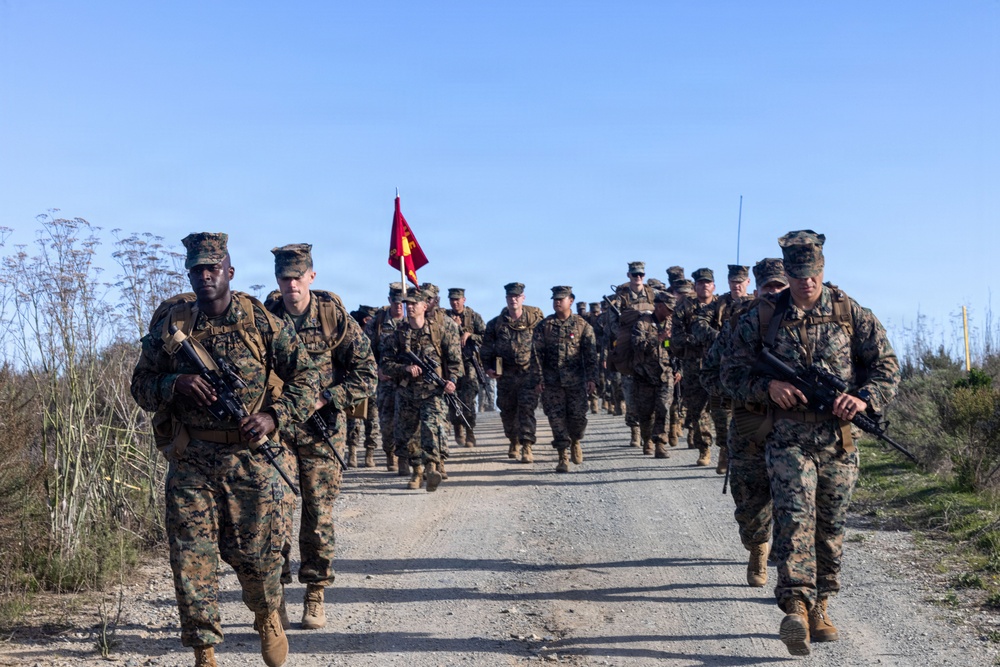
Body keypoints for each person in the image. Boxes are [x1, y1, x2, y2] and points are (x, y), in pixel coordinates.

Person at [131, 233, 321, 667]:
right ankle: (205, 650)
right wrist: (173, 383)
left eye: (213, 268)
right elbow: (139, 385)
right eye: (197, 269)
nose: (205, 276)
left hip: (250, 459)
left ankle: (267, 614)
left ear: (229, 272)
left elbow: (306, 379)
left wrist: (273, 417)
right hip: (192, 459)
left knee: (256, 557)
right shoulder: (172, 326)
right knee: (191, 557)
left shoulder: (259, 321)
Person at [720, 231, 900, 656]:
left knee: (831, 526)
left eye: (813, 274)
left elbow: (887, 366)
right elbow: (725, 373)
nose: (806, 283)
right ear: (789, 273)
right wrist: (768, 387)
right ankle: (796, 608)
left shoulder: (849, 312)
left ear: (823, 270)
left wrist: (863, 398)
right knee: (795, 518)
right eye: (799, 275)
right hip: (785, 439)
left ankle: (821, 604)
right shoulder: (761, 318)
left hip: (837, 440)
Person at [264, 244, 377, 631]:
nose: (291, 285)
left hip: (321, 431)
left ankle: (315, 592)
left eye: (297, 277)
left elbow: (367, 373)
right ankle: (274, 595)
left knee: (317, 513)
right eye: (284, 278)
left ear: (311, 276)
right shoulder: (266, 318)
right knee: (274, 511)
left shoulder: (333, 317)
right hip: (277, 430)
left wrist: (328, 397)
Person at [701, 258, 787, 589]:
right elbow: (711, 373)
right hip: (750, 424)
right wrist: (754, 388)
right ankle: (758, 547)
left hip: (795, 429)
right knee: (750, 502)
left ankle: (789, 571)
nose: (775, 293)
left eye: (781, 286)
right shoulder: (740, 324)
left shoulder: (804, 323)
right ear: (758, 288)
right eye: (770, 287)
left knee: (794, 501)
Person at [380, 287, 464, 491]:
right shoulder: (397, 334)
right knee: (407, 434)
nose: (409, 307)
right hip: (406, 391)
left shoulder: (439, 330)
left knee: (432, 429)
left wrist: (452, 379)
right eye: (408, 303)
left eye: (414, 304)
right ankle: (417, 471)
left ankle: (432, 467)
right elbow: (385, 363)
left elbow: (455, 360)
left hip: (433, 391)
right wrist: (405, 368)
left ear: (425, 306)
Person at [690, 265, 753, 474]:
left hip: (749, 372)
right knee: (721, 415)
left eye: (740, 282)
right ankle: (724, 450)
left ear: (748, 283)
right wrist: (720, 338)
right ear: (728, 283)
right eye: (733, 282)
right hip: (721, 370)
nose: (737, 285)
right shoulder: (718, 304)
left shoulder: (756, 304)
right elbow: (698, 324)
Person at [530, 286, 598, 472]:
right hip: (552, 383)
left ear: (571, 300)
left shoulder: (583, 326)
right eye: (555, 299)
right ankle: (562, 456)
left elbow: (590, 355)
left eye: (561, 299)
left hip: (576, 382)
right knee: (556, 419)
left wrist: (592, 379)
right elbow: (536, 355)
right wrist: (539, 379)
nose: (557, 302)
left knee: (577, 419)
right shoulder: (545, 326)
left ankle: (575, 440)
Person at [481, 282, 544, 462]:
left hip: (528, 374)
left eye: (517, 296)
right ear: (506, 299)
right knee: (507, 411)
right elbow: (486, 350)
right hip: (505, 376)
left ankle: (527, 446)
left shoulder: (534, 322)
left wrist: (541, 374)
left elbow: (543, 347)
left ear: (523, 298)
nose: (513, 300)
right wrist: (488, 368)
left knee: (526, 410)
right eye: (510, 297)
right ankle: (513, 439)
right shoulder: (496, 324)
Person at [671, 268, 718, 466]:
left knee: (723, 411)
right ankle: (704, 448)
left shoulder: (721, 306)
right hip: (693, 365)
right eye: (700, 283)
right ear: (695, 286)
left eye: (707, 282)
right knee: (697, 410)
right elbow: (676, 338)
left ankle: (724, 448)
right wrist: (696, 339)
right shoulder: (684, 308)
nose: (704, 286)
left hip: (718, 366)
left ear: (713, 286)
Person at [365, 283, 408, 474]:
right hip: (385, 381)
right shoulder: (378, 322)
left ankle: (405, 458)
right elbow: (365, 352)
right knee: (387, 422)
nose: (399, 306)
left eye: (402, 302)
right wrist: (376, 371)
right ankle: (390, 454)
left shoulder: (411, 322)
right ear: (389, 300)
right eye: (395, 302)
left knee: (407, 421)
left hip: (407, 382)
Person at [614, 262, 656, 448]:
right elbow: (613, 327)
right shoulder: (620, 298)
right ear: (628, 275)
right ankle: (635, 430)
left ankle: (649, 437)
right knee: (630, 396)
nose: (637, 277)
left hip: (650, 351)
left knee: (650, 397)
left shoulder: (653, 295)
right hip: (630, 352)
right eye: (634, 274)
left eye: (640, 274)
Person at [630, 290, 677, 458]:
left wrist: (679, 370)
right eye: (668, 308)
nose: (671, 311)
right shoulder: (642, 323)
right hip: (644, 376)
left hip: (665, 375)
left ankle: (660, 443)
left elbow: (677, 350)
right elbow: (636, 344)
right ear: (658, 306)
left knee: (663, 408)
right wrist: (658, 338)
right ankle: (647, 439)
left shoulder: (673, 324)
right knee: (645, 412)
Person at [445, 287, 487, 447]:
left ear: (464, 300)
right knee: (452, 397)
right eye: (452, 300)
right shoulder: (445, 317)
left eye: (457, 299)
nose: (455, 302)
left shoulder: (474, 317)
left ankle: (470, 431)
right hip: (450, 365)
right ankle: (457, 427)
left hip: (469, 363)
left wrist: (468, 334)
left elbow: (485, 337)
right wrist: (456, 328)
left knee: (468, 399)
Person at [347, 305, 381, 467]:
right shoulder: (351, 335)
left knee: (372, 419)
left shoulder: (375, 336)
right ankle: (352, 453)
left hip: (371, 382)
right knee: (354, 420)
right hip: (355, 381)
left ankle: (370, 453)